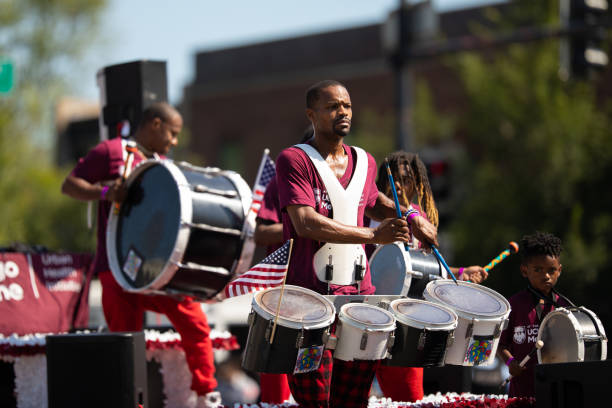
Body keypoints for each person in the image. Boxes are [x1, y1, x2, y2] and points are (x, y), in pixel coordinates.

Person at [275, 80, 438, 408]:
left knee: (354, 399)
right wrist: (373, 236)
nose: (342, 112)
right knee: (315, 400)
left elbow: (373, 201)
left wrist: (411, 215)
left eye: (346, 106)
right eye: (332, 106)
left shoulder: (365, 161)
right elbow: (305, 223)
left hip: (359, 301)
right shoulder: (294, 159)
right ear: (312, 114)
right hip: (309, 301)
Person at [61, 102, 222, 408]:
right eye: (172, 133)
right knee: (126, 342)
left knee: (194, 320)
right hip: (116, 266)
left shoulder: (163, 165)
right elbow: (70, 185)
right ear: (155, 124)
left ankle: (206, 394)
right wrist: (106, 193)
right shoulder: (111, 152)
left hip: (157, 267)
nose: (174, 141)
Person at [371, 151, 488, 403]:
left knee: (408, 399)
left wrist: (460, 273)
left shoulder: (420, 220)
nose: (400, 186)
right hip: (368, 315)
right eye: (396, 179)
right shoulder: (369, 214)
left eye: (408, 179)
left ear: (418, 184)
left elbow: (426, 270)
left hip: (406, 323)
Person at [497, 231, 571, 398]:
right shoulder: (513, 305)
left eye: (551, 270)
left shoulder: (566, 307)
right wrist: (510, 362)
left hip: (557, 392)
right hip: (522, 393)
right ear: (525, 270)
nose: (546, 276)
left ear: (559, 271)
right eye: (538, 270)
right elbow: (500, 345)